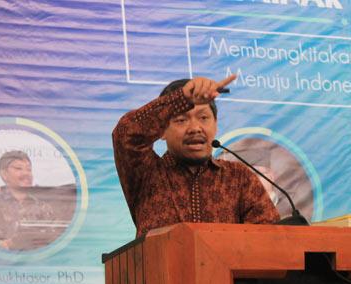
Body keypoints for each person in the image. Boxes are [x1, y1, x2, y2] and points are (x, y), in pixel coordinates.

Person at [112, 75, 279, 236]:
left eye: (203, 117)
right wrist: (181, 98)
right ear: (161, 130)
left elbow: (267, 237)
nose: (195, 128)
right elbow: (125, 133)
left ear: (216, 125)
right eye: (181, 120)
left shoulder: (239, 177)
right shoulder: (146, 172)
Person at [0, 150, 56, 250]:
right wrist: (9, 244)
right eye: (18, 168)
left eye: (29, 169)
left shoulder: (42, 207)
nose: (26, 173)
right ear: (4, 174)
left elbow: (53, 242)